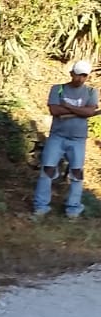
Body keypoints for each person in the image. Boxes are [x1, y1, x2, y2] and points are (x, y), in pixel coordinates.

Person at [33, 60, 97, 219]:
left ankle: (73, 208)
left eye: (84, 76)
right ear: (71, 73)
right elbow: (54, 109)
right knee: (47, 169)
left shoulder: (91, 92)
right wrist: (80, 111)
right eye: (78, 74)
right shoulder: (58, 89)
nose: (80, 79)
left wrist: (68, 107)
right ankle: (41, 206)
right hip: (57, 136)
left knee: (77, 173)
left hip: (78, 139)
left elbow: (90, 112)